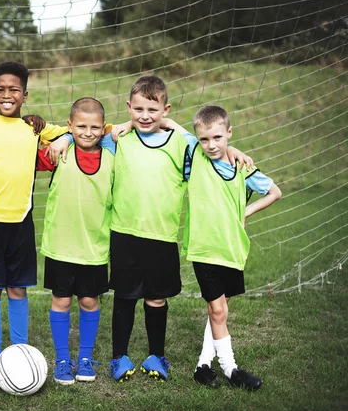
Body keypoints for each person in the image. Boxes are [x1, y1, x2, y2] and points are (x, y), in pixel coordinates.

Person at [47, 75, 252, 384]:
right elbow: (83, 135)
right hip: (124, 233)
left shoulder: (182, 145)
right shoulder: (118, 140)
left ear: (165, 110)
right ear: (129, 107)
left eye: (153, 111)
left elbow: (210, 144)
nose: (145, 116)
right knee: (125, 297)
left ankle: (157, 355)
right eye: (138, 109)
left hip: (163, 235)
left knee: (156, 298)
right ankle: (119, 356)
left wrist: (231, 148)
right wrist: (62, 137)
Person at [0, 61, 70, 384]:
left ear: (25, 94)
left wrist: (60, 138)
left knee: (17, 288)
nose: (7, 95)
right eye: (0, 89)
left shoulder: (35, 128)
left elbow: (80, 127)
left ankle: (18, 351)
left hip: (21, 221)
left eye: (14, 90)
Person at [181, 105, 281, 390]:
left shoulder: (242, 168)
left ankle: (202, 366)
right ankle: (230, 369)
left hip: (232, 248)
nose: (211, 145)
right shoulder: (195, 155)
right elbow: (170, 123)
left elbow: (275, 192)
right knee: (218, 310)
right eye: (204, 139)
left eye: (217, 138)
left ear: (228, 133)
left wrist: (245, 212)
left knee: (220, 309)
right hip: (203, 248)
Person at [37, 97, 115, 385]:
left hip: (94, 248)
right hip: (61, 245)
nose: (87, 132)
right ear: (69, 125)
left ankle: (84, 357)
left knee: (88, 301)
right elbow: (25, 158)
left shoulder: (112, 157)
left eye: (95, 127)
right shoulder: (60, 152)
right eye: (80, 126)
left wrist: (67, 135)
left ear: (103, 129)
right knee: (61, 300)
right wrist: (58, 137)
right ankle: (61, 360)